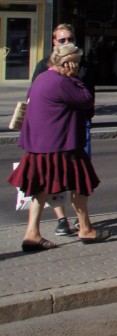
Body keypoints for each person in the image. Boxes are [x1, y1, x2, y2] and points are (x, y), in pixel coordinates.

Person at [7, 42, 110, 251]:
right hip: (62, 145)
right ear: (68, 63)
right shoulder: (62, 82)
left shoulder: (42, 78)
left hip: (39, 147)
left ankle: (32, 234)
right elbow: (86, 99)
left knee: (40, 189)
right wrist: (76, 78)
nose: (78, 67)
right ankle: (86, 229)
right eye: (77, 63)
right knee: (80, 187)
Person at [32, 23, 91, 237]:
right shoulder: (45, 68)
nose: (68, 43)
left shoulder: (81, 64)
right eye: (63, 40)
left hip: (74, 128)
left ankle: (78, 223)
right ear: (54, 43)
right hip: (56, 134)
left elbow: (89, 97)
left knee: (65, 181)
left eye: (71, 38)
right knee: (63, 179)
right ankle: (66, 221)